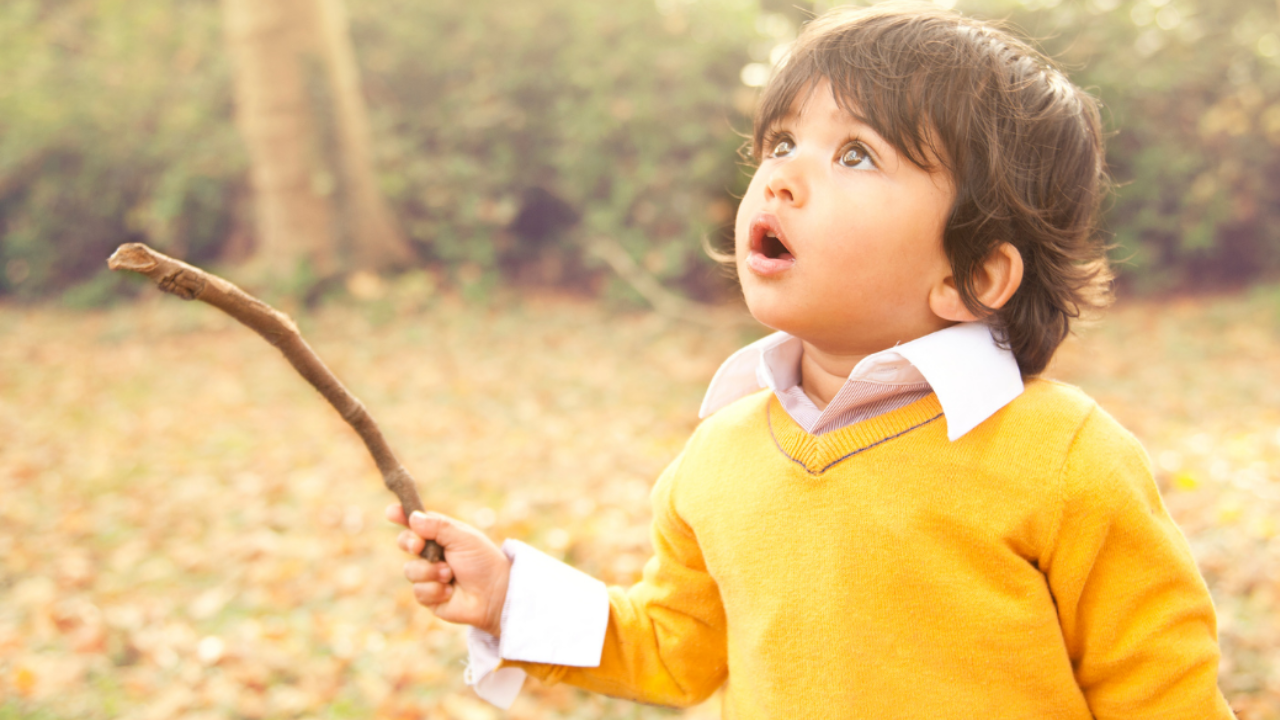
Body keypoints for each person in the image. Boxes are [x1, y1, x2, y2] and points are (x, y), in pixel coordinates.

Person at [387, 4, 1236, 718]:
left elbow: (1160, 684)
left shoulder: (1061, 460)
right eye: (780, 143)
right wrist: (510, 599)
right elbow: (674, 644)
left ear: (972, 274)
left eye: (855, 153)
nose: (783, 177)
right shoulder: (720, 456)